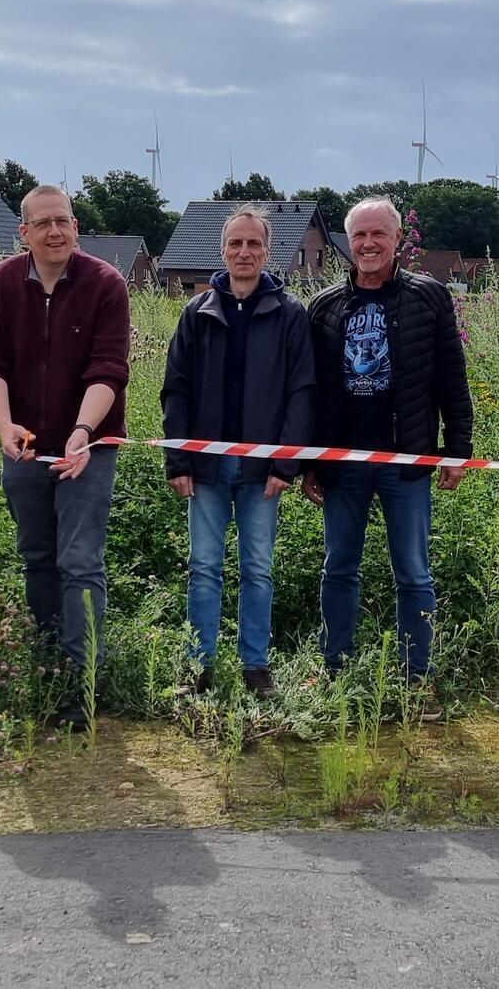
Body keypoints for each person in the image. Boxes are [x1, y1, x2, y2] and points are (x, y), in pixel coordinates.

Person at [0, 184, 130, 728]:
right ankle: (47, 670)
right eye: (43, 223)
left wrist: (84, 431)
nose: (55, 231)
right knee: (37, 558)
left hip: (90, 445)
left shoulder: (106, 282)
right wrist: (2, 425)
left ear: (76, 226)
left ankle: (82, 686)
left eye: (64, 221)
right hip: (25, 447)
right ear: (24, 233)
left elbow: (108, 368)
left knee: (79, 561)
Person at [302, 196, 474, 699]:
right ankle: (333, 672)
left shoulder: (429, 298)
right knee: (338, 567)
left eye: (379, 234)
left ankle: (416, 678)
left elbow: (451, 377)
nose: (369, 244)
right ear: (348, 243)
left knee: (414, 572)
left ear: (397, 239)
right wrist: (310, 461)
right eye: (360, 235)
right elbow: (312, 393)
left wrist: (456, 448)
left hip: (408, 460)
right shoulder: (326, 306)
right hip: (343, 464)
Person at [161, 205, 314, 698]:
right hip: (204, 467)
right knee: (204, 568)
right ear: (222, 250)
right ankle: (197, 668)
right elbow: (176, 390)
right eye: (235, 244)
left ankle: (255, 668)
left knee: (257, 569)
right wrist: (178, 459)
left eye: (253, 244)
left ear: (267, 252)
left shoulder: (289, 315)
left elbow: (301, 393)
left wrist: (286, 463)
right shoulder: (197, 312)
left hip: (262, 470)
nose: (243, 252)